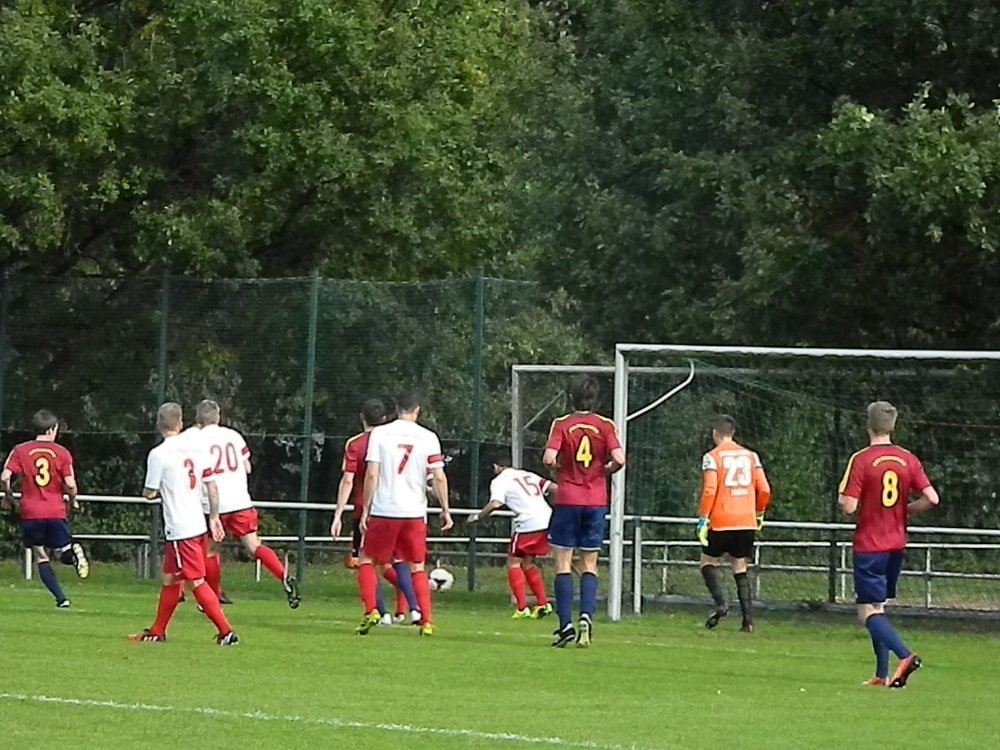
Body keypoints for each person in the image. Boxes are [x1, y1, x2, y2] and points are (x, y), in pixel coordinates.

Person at [838, 401, 939, 688]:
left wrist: (843, 499)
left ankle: (905, 656)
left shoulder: (861, 459)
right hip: (896, 544)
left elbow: (849, 506)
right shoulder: (908, 459)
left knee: (865, 611)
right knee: (878, 607)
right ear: (893, 426)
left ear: (867, 425)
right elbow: (932, 498)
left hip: (870, 544)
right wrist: (904, 510)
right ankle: (881, 674)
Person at [129, 402, 238, 645]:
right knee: (170, 578)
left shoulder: (159, 454)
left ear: (159, 424)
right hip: (197, 523)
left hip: (180, 528)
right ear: (180, 423)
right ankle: (157, 631)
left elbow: (150, 492)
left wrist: (155, 491)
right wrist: (214, 517)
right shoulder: (195, 449)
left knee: (195, 581)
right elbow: (211, 486)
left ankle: (226, 631)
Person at [354, 390, 453, 636]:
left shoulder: (380, 434)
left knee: (366, 560)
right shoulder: (428, 437)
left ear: (396, 409)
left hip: (384, 509)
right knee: (417, 566)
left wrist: (366, 509)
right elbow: (439, 476)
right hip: (414, 512)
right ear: (417, 411)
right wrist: (445, 509)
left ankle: (371, 611)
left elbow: (372, 474)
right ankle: (426, 620)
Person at [542, 376, 625, 648]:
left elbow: (549, 458)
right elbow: (620, 459)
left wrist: (558, 470)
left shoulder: (562, 424)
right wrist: (604, 471)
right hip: (596, 500)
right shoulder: (605, 425)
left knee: (563, 563)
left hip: (568, 498)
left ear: (572, 398)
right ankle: (586, 616)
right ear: (596, 400)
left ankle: (565, 625)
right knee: (589, 564)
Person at [193, 399, 299, 608]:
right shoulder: (234, 436)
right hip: (240, 500)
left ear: (198, 419)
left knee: (211, 550)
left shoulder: (196, 441)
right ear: (218, 417)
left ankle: (213, 595)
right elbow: (247, 468)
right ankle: (283, 574)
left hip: (213, 503)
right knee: (254, 545)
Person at [331, 398, 419, 625]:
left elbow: (348, 480)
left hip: (367, 508)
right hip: (396, 507)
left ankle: (380, 611)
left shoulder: (356, 444)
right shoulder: (396, 439)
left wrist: (338, 514)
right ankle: (414, 606)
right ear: (384, 418)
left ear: (362, 417)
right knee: (398, 559)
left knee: (366, 562)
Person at [1, 410, 89, 607]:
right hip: (55, 510)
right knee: (61, 553)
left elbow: (5, 477)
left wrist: (8, 495)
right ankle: (73, 552)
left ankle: (61, 599)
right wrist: (73, 500)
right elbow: (70, 483)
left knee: (41, 556)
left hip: (31, 512)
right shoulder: (62, 452)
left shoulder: (20, 450)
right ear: (51, 429)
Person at [696, 415, 771, 633]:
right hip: (746, 519)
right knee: (739, 566)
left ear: (714, 433)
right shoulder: (752, 456)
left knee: (707, 562)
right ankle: (748, 622)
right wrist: (759, 512)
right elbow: (764, 489)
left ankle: (720, 603)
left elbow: (710, 489)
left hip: (721, 519)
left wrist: (703, 518)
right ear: (733, 433)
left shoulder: (711, 457)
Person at [469, 450, 555, 620]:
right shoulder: (526, 474)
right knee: (527, 563)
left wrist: (478, 517)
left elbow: (495, 503)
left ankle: (522, 608)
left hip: (528, 523)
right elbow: (553, 487)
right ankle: (543, 604)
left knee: (513, 562)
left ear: (495, 467)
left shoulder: (500, 481)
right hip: (547, 519)